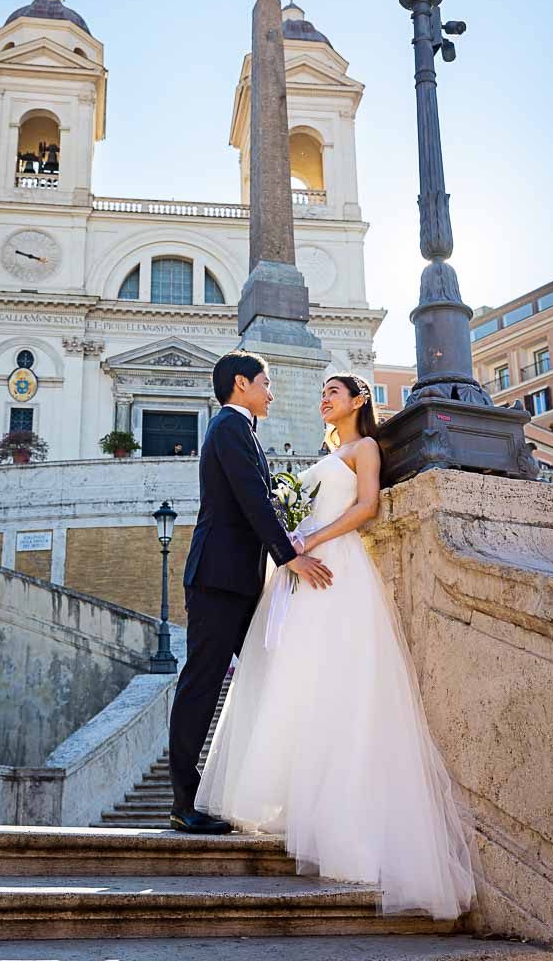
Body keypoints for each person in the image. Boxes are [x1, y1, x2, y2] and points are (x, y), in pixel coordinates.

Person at [195, 374, 476, 921]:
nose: (323, 399)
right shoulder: (329, 451)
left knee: (334, 683)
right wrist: (293, 539)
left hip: (335, 567)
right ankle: (298, 804)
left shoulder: (366, 447)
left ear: (358, 401)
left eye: (333, 393)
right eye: (321, 393)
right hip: (305, 568)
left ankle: (343, 824)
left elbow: (367, 506)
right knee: (296, 682)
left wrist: (310, 539)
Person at [168, 350, 332, 834]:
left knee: (267, 674)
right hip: (218, 580)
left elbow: (259, 502)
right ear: (241, 384)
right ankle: (183, 800)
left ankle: (257, 789)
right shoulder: (229, 429)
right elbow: (252, 499)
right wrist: (290, 556)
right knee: (201, 686)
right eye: (266, 382)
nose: (271, 392)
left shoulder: (241, 432)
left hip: (239, 582)